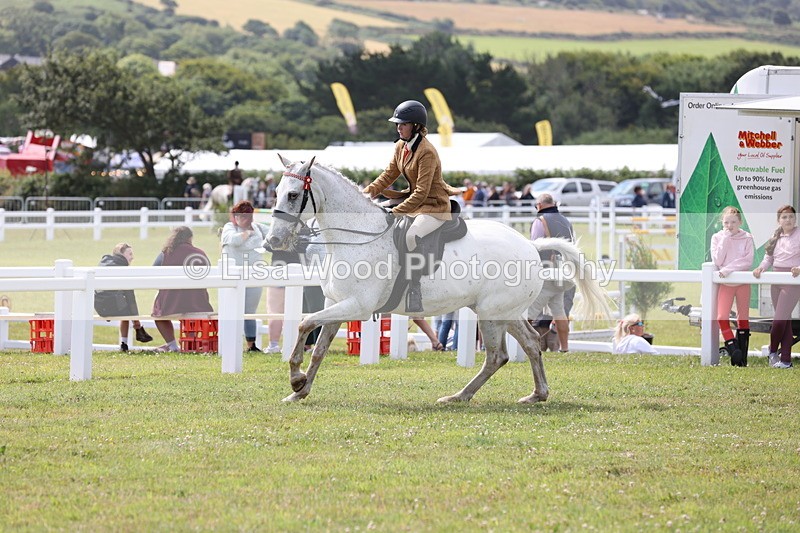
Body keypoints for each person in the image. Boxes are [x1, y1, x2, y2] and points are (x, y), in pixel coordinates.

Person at [362, 99, 460, 313]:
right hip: (415, 201)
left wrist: (396, 212)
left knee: (411, 236)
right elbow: (388, 175)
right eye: (397, 124)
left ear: (416, 126)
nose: (398, 128)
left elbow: (422, 192)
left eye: (403, 124)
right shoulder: (400, 146)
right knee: (376, 215)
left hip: (433, 206)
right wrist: (366, 193)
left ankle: (414, 287)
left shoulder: (427, 151)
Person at [152, 226, 214, 352]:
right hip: (197, 301)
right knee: (191, 311)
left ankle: (172, 345)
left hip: (171, 301)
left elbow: (154, 273)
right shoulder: (200, 253)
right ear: (189, 238)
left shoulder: (165, 253)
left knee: (157, 313)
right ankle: (191, 342)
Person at [753, 205, 800, 369]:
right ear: (779, 220)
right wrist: (761, 268)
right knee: (785, 322)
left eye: (791, 217)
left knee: (779, 321)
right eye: (784, 217)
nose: (788, 220)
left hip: (792, 282)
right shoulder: (775, 236)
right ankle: (786, 360)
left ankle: (773, 351)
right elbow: (768, 259)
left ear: (795, 219)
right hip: (776, 281)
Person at [221, 201, 270, 352]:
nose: (243, 219)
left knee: (250, 311)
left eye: (246, 216)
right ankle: (230, 344)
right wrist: (247, 233)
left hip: (254, 274)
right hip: (233, 276)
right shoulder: (229, 228)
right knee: (232, 309)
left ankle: (251, 345)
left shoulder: (259, 228)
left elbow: (273, 236)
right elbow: (234, 240)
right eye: (240, 216)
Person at [529, 193, 576, 351]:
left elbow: (535, 246)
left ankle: (524, 347)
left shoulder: (540, 220)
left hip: (547, 271)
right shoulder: (566, 221)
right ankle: (565, 348)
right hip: (564, 272)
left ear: (540, 205)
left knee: (529, 313)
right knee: (559, 312)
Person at [710, 206, 754, 366]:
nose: (730, 225)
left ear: (740, 222)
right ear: (722, 222)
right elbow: (718, 261)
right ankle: (733, 347)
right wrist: (725, 239)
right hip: (726, 284)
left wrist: (728, 269)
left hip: (742, 282)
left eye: (733, 222)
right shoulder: (717, 237)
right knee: (722, 317)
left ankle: (741, 360)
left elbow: (747, 261)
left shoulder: (747, 237)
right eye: (726, 222)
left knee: (743, 319)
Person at [94, 243, 153, 352]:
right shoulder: (123, 267)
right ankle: (132, 334)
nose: (132, 257)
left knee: (123, 306)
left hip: (99, 307)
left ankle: (124, 343)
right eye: (130, 254)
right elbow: (130, 297)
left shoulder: (103, 263)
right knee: (127, 307)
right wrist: (136, 320)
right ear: (121, 254)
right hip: (114, 307)